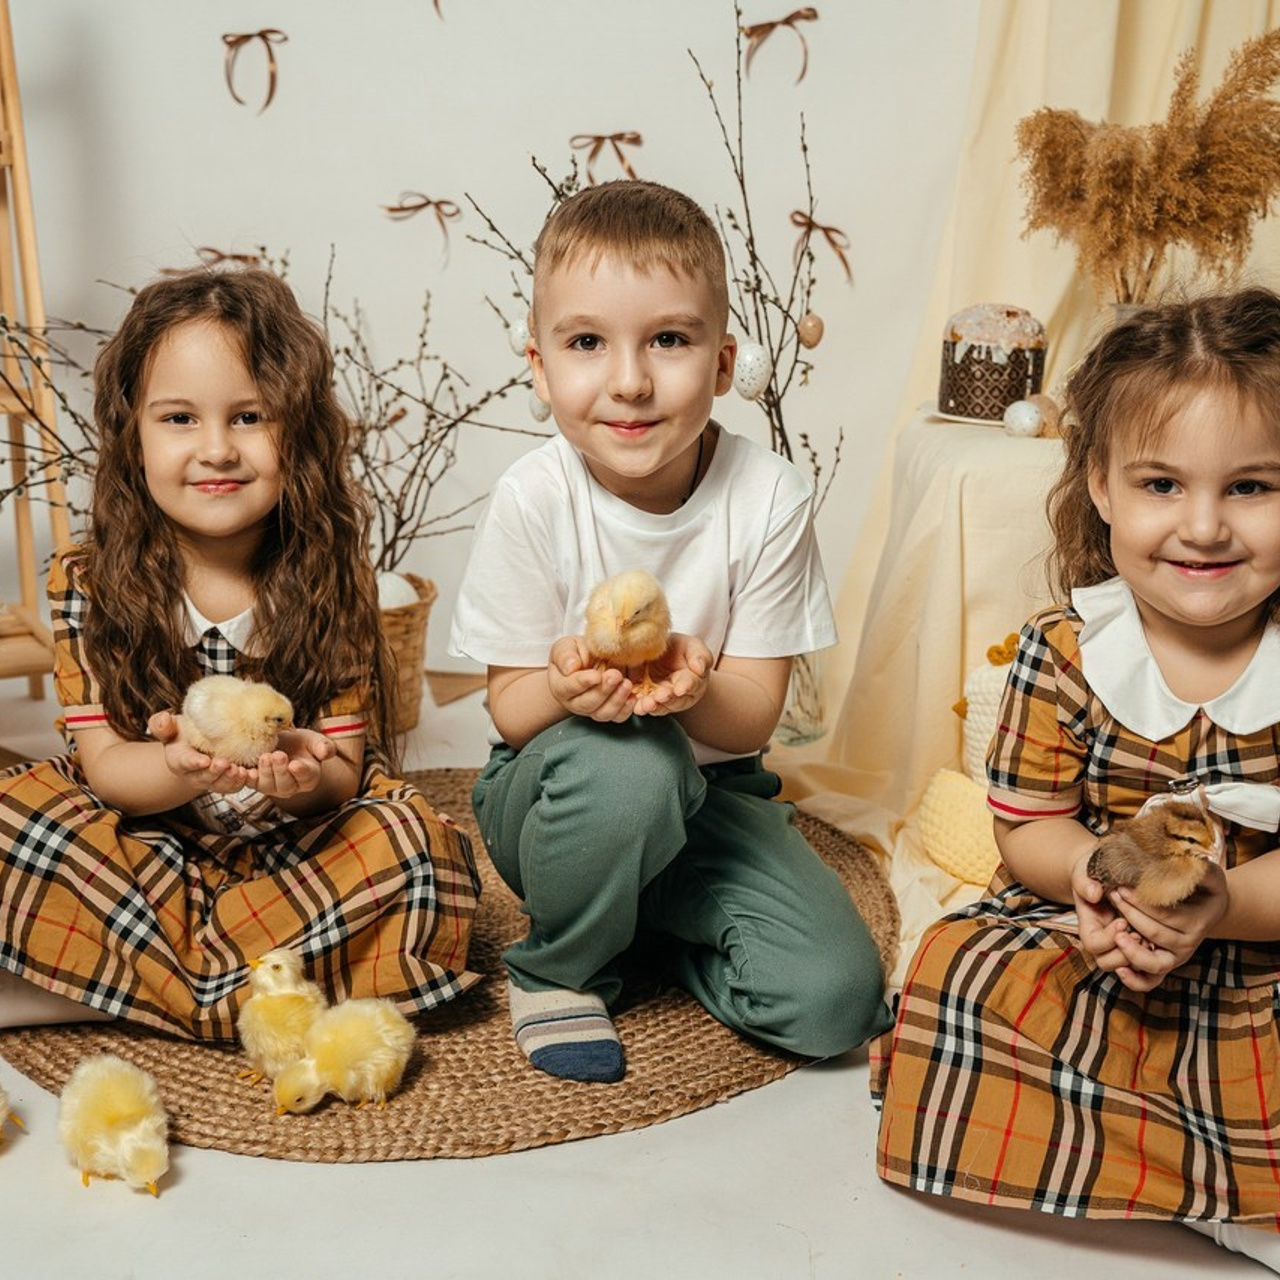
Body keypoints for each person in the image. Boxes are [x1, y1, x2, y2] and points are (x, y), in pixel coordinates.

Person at [449, 179, 891, 1084]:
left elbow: (751, 723)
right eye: (586, 343)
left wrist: (695, 685)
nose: (630, 380)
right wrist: (568, 691)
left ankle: (649, 919)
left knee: (836, 1003)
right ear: (538, 366)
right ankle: (561, 964)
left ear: (724, 364)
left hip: (711, 802)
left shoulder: (767, 497)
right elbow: (511, 712)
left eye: (669, 340)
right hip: (553, 800)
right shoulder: (536, 500)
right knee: (632, 764)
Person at [874, 289, 1280, 1270]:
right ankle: (1200, 1176)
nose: (1202, 526)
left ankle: (1213, 1182)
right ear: (1098, 484)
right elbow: (1029, 829)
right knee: (958, 971)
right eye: (1159, 484)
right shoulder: (1063, 652)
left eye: (1250, 487)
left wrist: (1211, 905)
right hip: (1098, 925)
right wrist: (1100, 887)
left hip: (1259, 933)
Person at [0, 268, 480, 1041]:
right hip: (139, 847)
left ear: (301, 432)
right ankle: (261, 992)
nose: (216, 449)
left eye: (250, 416)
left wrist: (295, 772)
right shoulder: (85, 582)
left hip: (292, 857)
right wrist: (177, 767)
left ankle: (123, 986)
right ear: (133, 433)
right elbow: (105, 771)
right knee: (17, 818)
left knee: (416, 849)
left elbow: (341, 777)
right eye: (180, 418)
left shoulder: (334, 580)